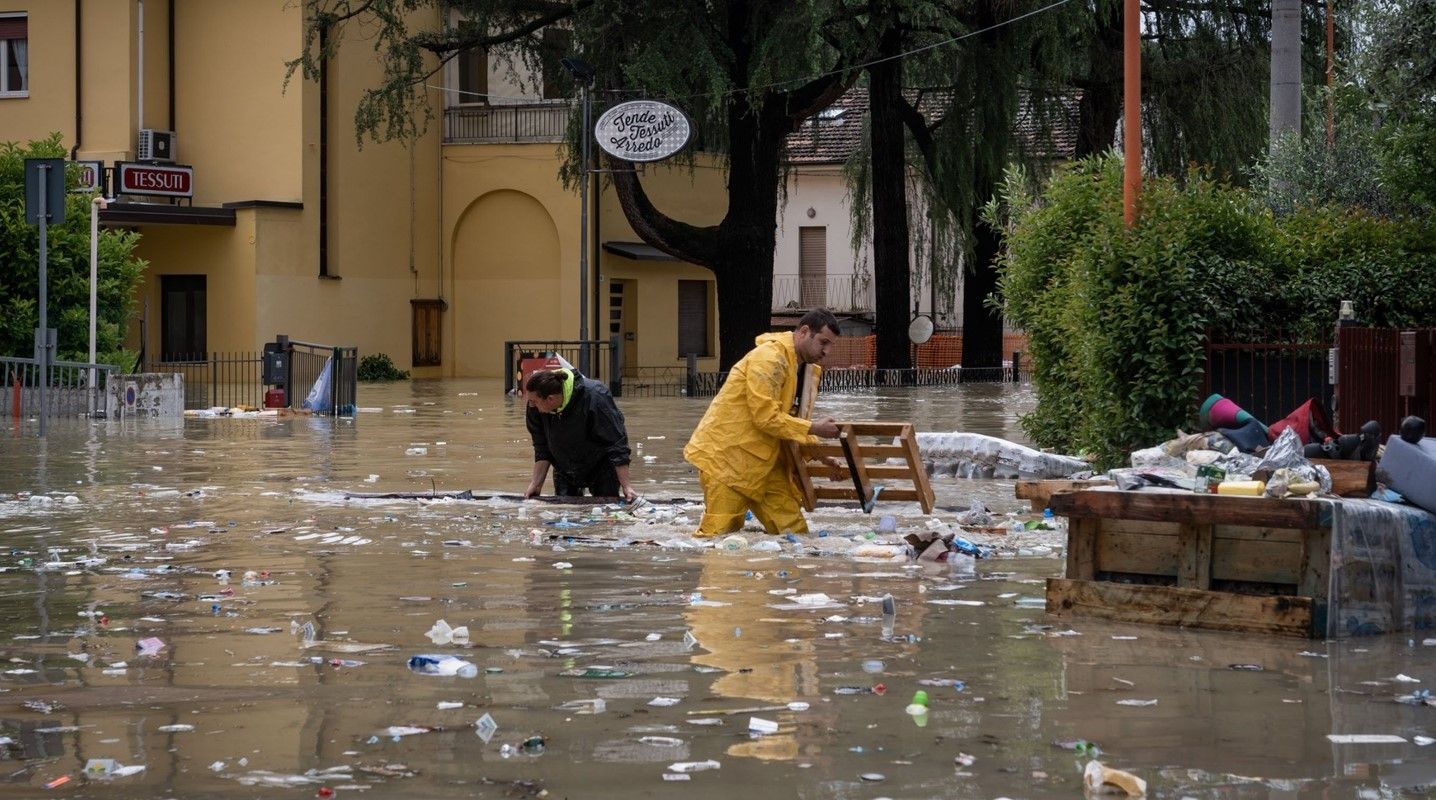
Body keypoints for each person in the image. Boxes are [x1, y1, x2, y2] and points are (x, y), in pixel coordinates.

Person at [683, 308, 842, 537]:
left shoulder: (795, 365)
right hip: (728, 461)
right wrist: (814, 428)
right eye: (823, 342)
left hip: (765, 464)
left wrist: (820, 454)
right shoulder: (769, 358)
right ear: (804, 332)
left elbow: (786, 421)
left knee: (795, 535)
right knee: (718, 540)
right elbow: (766, 417)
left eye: (830, 345)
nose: (826, 351)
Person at [523, 368, 637, 502]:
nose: (531, 405)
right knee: (564, 515)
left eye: (534, 402)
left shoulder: (596, 396)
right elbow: (542, 447)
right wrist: (536, 484)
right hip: (564, 467)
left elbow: (617, 443)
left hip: (601, 466)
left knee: (607, 514)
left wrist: (626, 486)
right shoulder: (535, 408)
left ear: (551, 399)